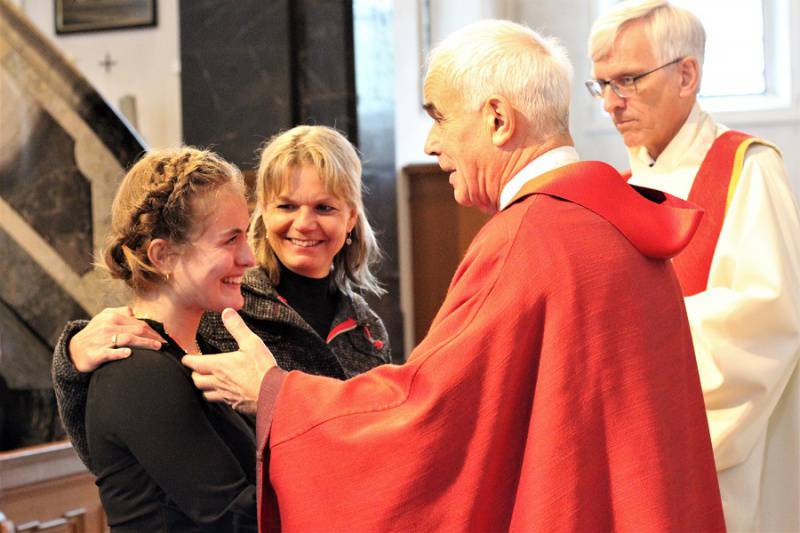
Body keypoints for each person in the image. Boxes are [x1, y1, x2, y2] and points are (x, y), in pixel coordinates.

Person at [185, 19, 725, 531]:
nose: (430, 144)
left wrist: (276, 394)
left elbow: (429, 416)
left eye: (439, 117)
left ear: (497, 119)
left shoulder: (529, 240)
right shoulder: (616, 224)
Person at [51, 125, 391, 469]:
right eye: (287, 205)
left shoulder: (368, 331)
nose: (304, 223)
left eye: (324, 208)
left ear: (351, 216)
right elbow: (126, 441)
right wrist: (72, 361)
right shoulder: (222, 305)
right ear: (263, 210)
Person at [587, 2, 800, 531]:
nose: (611, 103)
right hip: (642, 454)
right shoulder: (622, 188)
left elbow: (767, 319)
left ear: (687, 75)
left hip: (726, 457)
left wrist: (631, 345)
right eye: (602, 85)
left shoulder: (748, 168)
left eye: (629, 80)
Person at [80, 147, 258, 530]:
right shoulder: (136, 371)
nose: (250, 257)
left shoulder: (203, 349)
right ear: (163, 256)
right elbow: (236, 515)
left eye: (247, 236)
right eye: (230, 240)